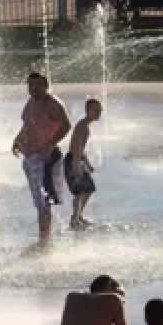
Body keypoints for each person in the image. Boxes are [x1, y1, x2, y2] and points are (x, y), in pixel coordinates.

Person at [12, 71, 72, 245]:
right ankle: (44, 237)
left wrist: (51, 144)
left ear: (46, 85)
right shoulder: (31, 102)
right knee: (39, 201)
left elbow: (67, 125)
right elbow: (27, 125)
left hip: (45, 158)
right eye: (30, 86)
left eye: (37, 86)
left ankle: (45, 240)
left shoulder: (53, 103)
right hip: (31, 157)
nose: (33, 89)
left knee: (45, 200)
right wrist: (17, 140)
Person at [65, 99, 102, 231]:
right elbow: (76, 147)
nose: (99, 113)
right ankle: (75, 220)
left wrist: (87, 163)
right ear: (88, 110)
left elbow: (80, 147)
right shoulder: (82, 126)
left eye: (100, 110)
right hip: (73, 161)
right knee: (80, 191)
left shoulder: (84, 126)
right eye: (96, 110)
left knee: (88, 189)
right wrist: (76, 165)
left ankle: (78, 216)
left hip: (77, 160)